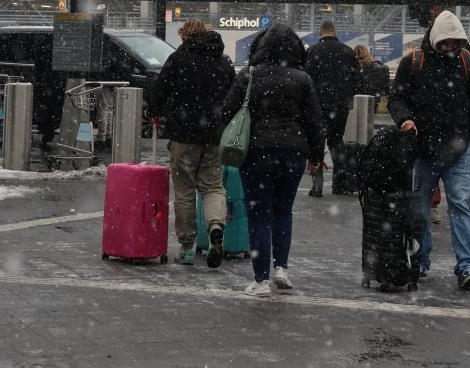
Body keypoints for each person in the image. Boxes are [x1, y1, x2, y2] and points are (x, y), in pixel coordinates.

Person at [221, 23, 324, 297]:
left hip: (257, 151)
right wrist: (316, 155)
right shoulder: (303, 79)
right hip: (293, 153)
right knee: (283, 211)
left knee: (258, 215)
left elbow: (228, 111)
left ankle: (260, 280)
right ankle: (282, 269)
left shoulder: (249, 75)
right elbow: (315, 122)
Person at [389, 10, 470, 289]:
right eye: (445, 42)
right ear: (435, 40)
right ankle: (423, 260)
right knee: (429, 208)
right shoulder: (415, 62)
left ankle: (465, 266)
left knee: (452, 206)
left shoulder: (466, 62)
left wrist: (468, 135)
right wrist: (405, 120)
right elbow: (397, 99)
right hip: (428, 149)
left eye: (454, 43)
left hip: (455, 148)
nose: (449, 47)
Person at [147, 19, 235, 267]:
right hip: (214, 136)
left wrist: (154, 110)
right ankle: (216, 226)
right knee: (213, 187)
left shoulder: (178, 59)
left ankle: (187, 247)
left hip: (183, 134)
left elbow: (160, 91)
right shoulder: (224, 62)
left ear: (185, 36)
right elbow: (233, 97)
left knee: (185, 190)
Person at [304, 21, 361, 197]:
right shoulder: (347, 51)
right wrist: (346, 96)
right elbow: (357, 80)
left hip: (317, 105)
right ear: (334, 32)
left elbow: (306, 79)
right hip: (340, 105)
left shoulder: (312, 51)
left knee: (317, 142)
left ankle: (317, 186)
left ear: (320, 33)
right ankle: (340, 184)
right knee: (336, 141)